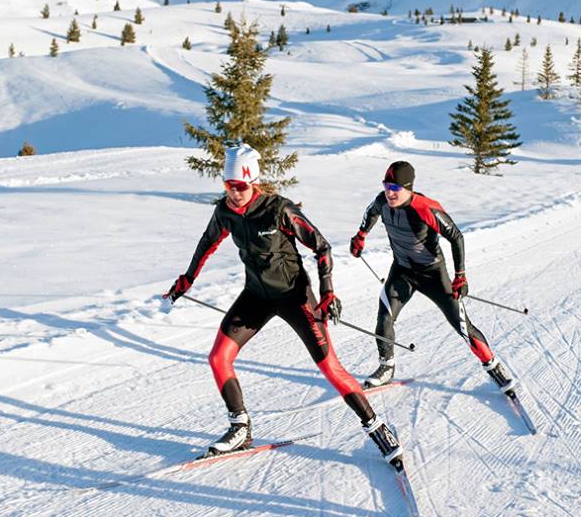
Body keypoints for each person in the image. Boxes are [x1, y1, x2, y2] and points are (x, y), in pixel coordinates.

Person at [165, 143, 403, 466]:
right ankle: (240, 426)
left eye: (239, 186)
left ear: (253, 182)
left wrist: (328, 291)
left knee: (331, 368)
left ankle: (377, 427)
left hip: (295, 296)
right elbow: (206, 244)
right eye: (227, 186)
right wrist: (187, 280)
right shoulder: (224, 212)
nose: (233, 193)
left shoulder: (279, 210)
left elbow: (322, 247)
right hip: (257, 295)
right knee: (219, 357)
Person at [349, 160, 515, 394]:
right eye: (387, 186)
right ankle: (386, 368)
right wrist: (360, 235)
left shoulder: (426, 208)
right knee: (384, 318)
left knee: (461, 325)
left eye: (395, 188)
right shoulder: (381, 201)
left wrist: (460, 276)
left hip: (433, 274)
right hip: (402, 271)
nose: (389, 192)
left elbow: (456, 237)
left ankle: (493, 366)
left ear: (408, 188)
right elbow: (370, 212)